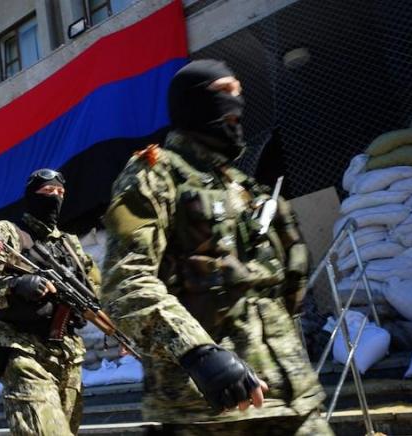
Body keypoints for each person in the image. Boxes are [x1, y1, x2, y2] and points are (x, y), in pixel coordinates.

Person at [101, 59, 332, 435]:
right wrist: (198, 351)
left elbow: (284, 287)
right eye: (224, 92)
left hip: (294, 398)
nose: (236, 102)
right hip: (209, 409)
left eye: (239, 92)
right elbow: (125, 280)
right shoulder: (153, 174)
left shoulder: (245, 187)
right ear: (191, 101)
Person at [0, 168, 100, 436]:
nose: (55, 197)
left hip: (68, 358)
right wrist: (13, 286)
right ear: (32, 196)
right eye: (47, 191)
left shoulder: (70, 244)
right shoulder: (7, 233)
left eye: (60, 192)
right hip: (23, 350)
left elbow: (95, 288)